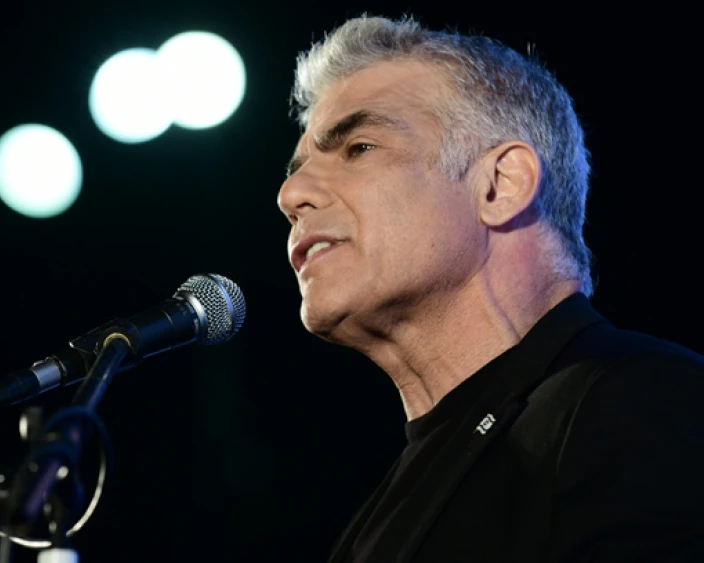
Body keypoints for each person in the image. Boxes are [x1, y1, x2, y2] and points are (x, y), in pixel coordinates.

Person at [276, 13, 704, 563]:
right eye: (298, 167)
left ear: (501, 186)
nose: (291, 193)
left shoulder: (640, 403)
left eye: (360, 147)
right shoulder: (375, 520)